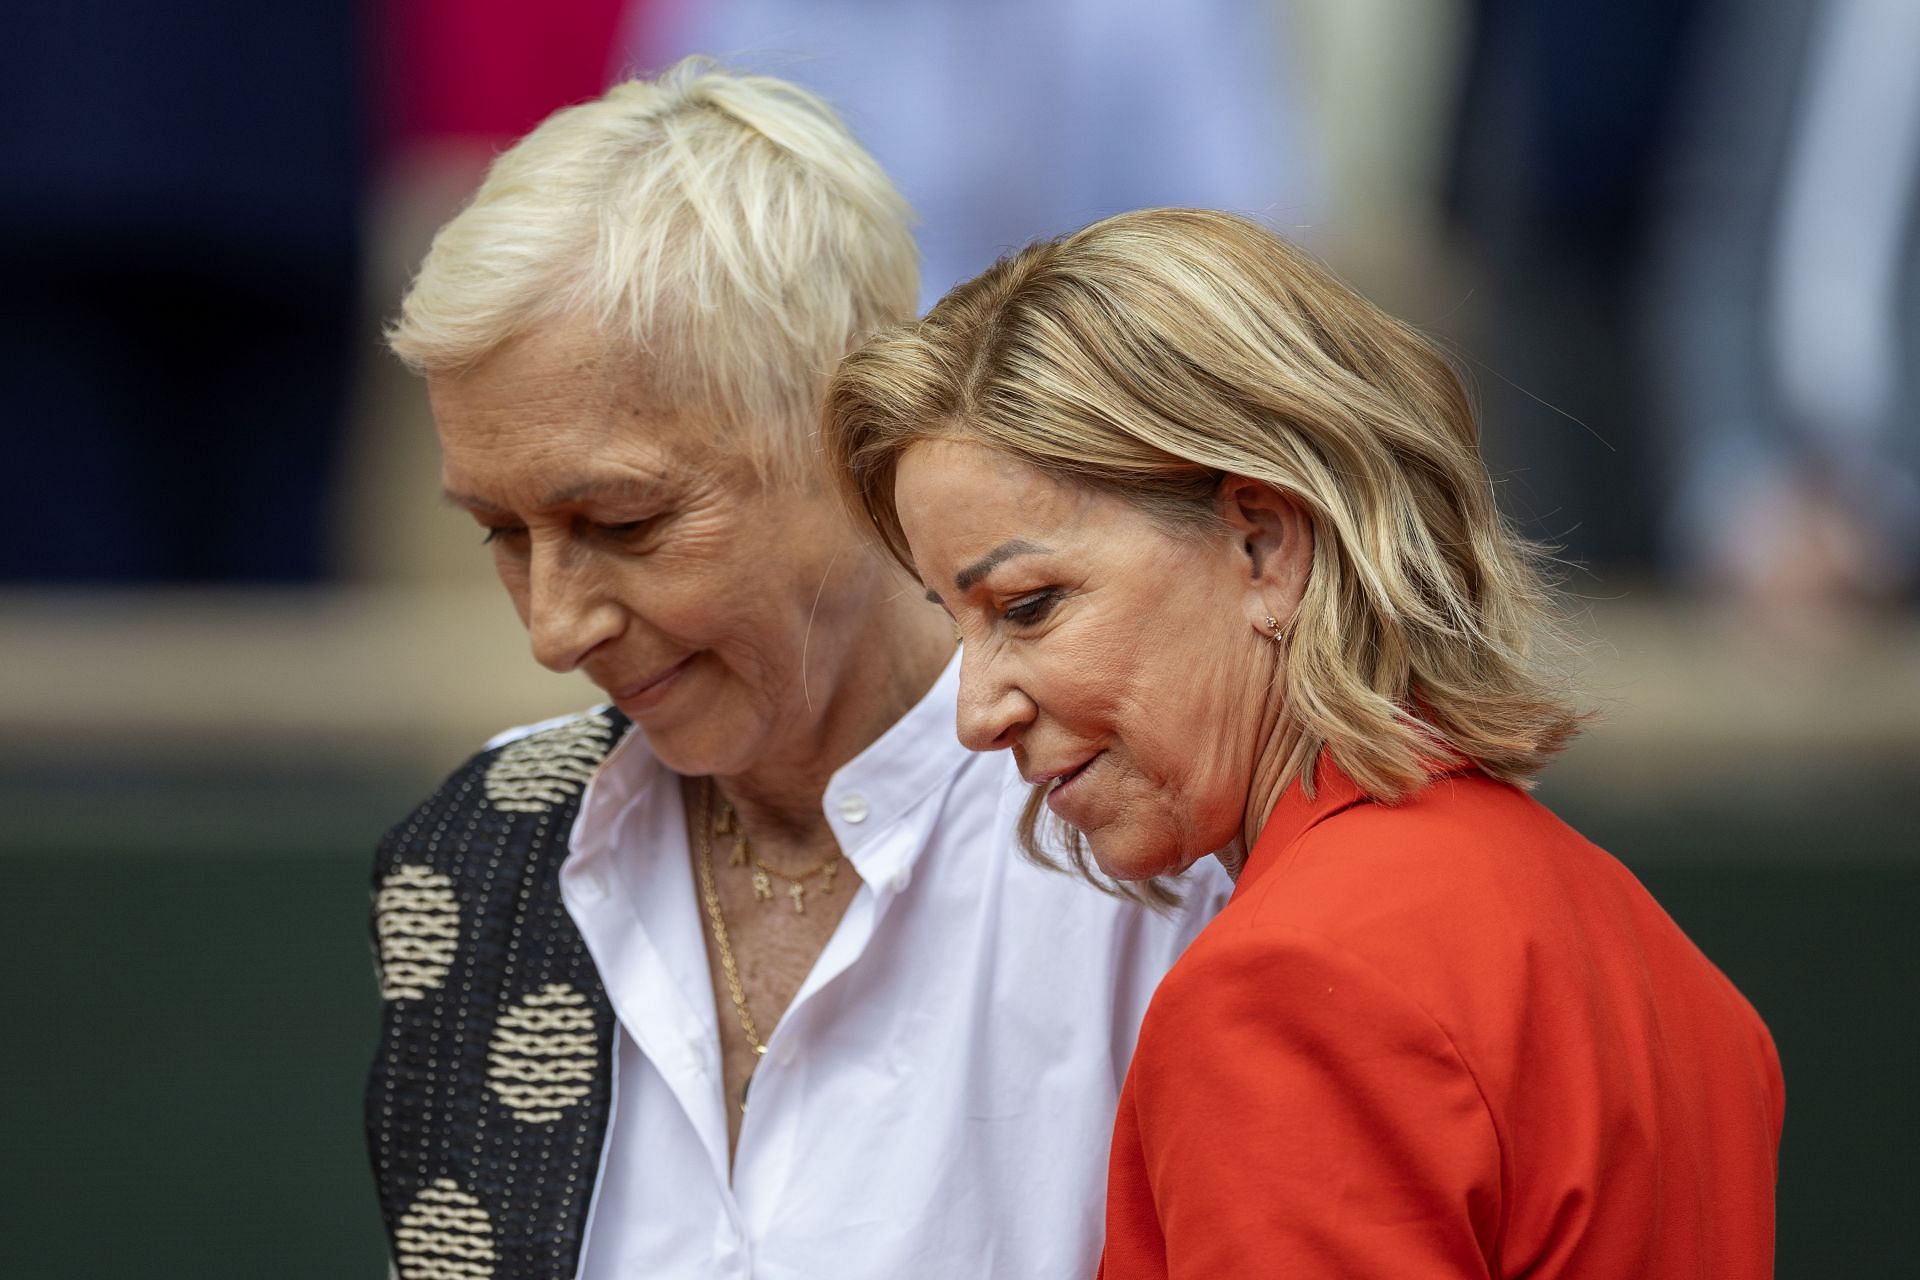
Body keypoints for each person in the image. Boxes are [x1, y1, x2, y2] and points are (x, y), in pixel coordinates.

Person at [368, 63, 1221, 1280]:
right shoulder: (478, 847)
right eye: (501, 534)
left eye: (623, 522)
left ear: (852, 437)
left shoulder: (1150, 836)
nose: (555, 630)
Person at [823, 207, 1785, 1277]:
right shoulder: (1635, 938)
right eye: (953, 624)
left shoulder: (1288, 987)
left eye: (1030, 605)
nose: (977, 709)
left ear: (1266, 544)